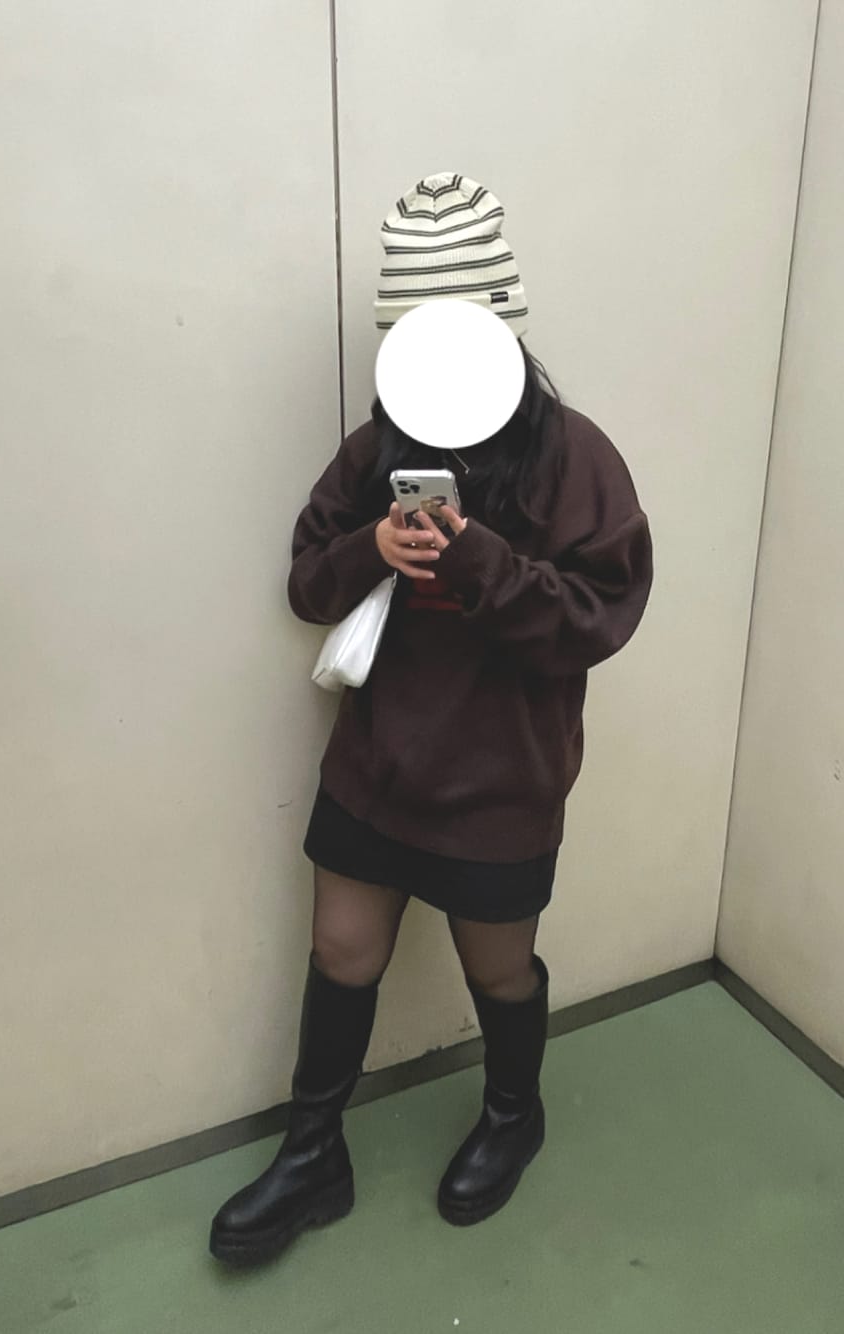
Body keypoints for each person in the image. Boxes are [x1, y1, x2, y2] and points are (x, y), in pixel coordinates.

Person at [209, 172, 653, 1266]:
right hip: (377, 763)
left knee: (498, 969)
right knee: (340, 948)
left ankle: (513, 1116)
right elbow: (306, 582)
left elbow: (602, 615)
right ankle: (314, 1153)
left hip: (504, 779)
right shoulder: (377, 449)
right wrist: (372, 548)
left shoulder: (575, 456)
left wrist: (484, 562)